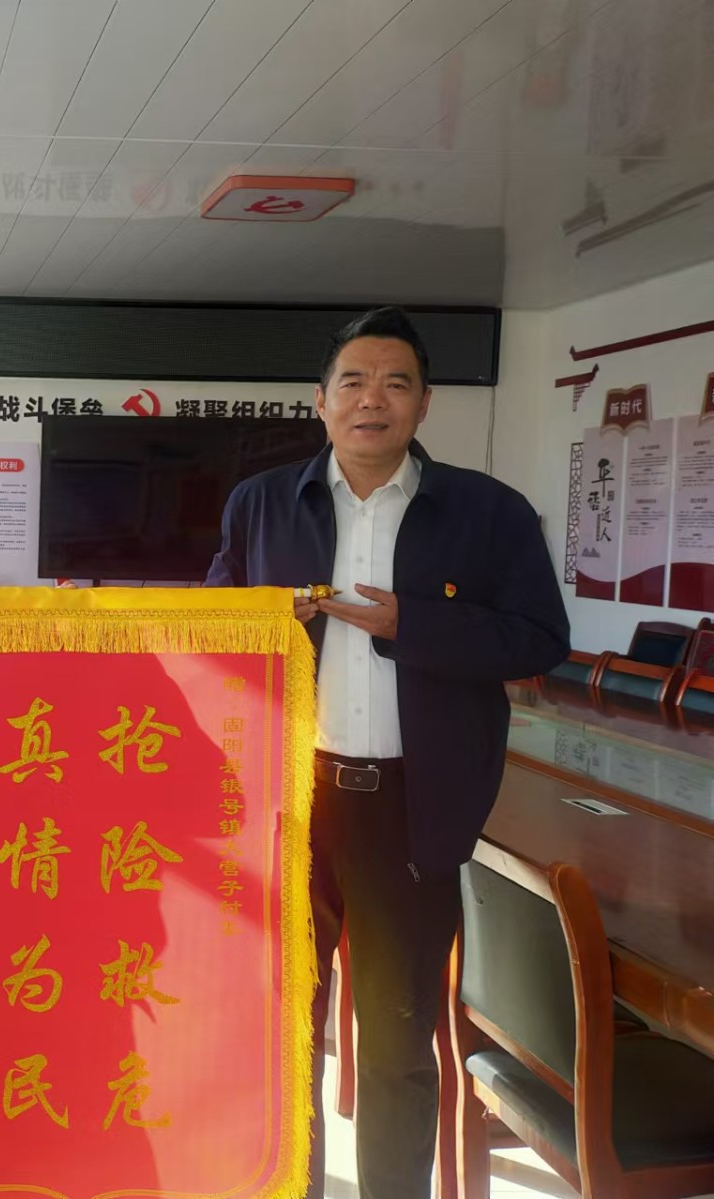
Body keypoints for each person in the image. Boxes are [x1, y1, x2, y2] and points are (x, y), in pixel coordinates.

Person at [205, 307, 569, 1198]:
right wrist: (263, 617)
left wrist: (416, 624)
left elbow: (539, 638)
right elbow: (211, 625)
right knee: (281, 1024)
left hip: (412, 810)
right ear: (321, 401)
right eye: (355, 382)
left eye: (396, 383)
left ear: (424, 403)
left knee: (399, 1041)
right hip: (290, 804)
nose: (374, 399)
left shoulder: (487, 512)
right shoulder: (261, 504)